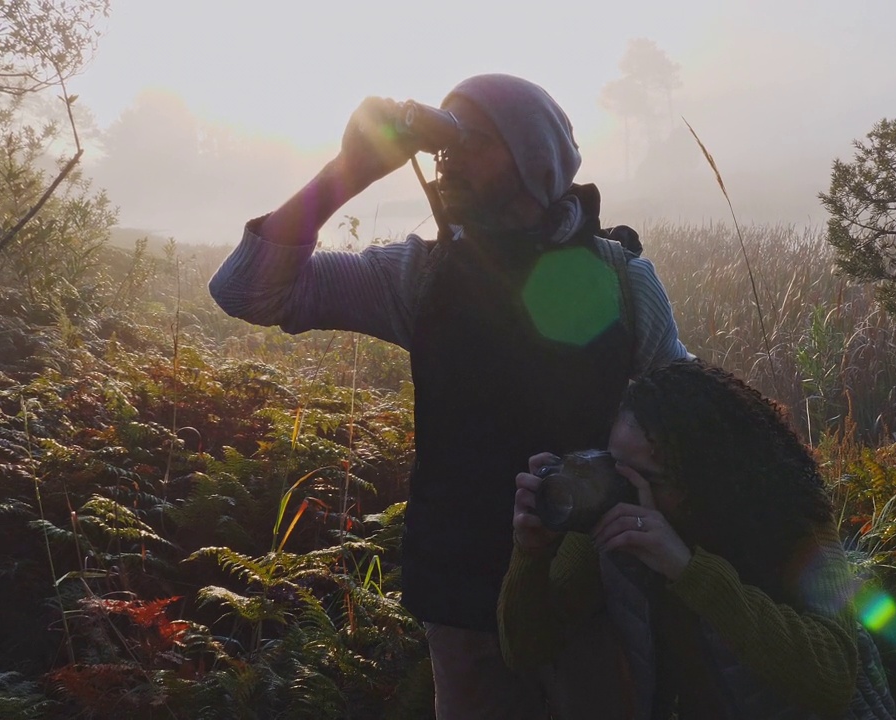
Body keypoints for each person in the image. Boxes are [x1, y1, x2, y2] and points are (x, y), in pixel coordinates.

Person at [208, 74, 689, 718]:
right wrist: (345, 174)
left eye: (475, 140)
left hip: (594, 588)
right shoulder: (421, 275)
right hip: (463, 601)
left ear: (536, 164)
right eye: (443, 142)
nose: (448, 157)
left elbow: (686, 420)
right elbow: (246, 291)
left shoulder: (622, 279)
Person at [501, 359, 896, 719]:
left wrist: (688, 569)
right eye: (615, 466)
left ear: (708, 479)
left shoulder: (790, 517)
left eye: (649, 479)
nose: (625, 487)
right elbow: (525, 650)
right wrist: (532, 552)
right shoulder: (612, 519)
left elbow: (833, 679)